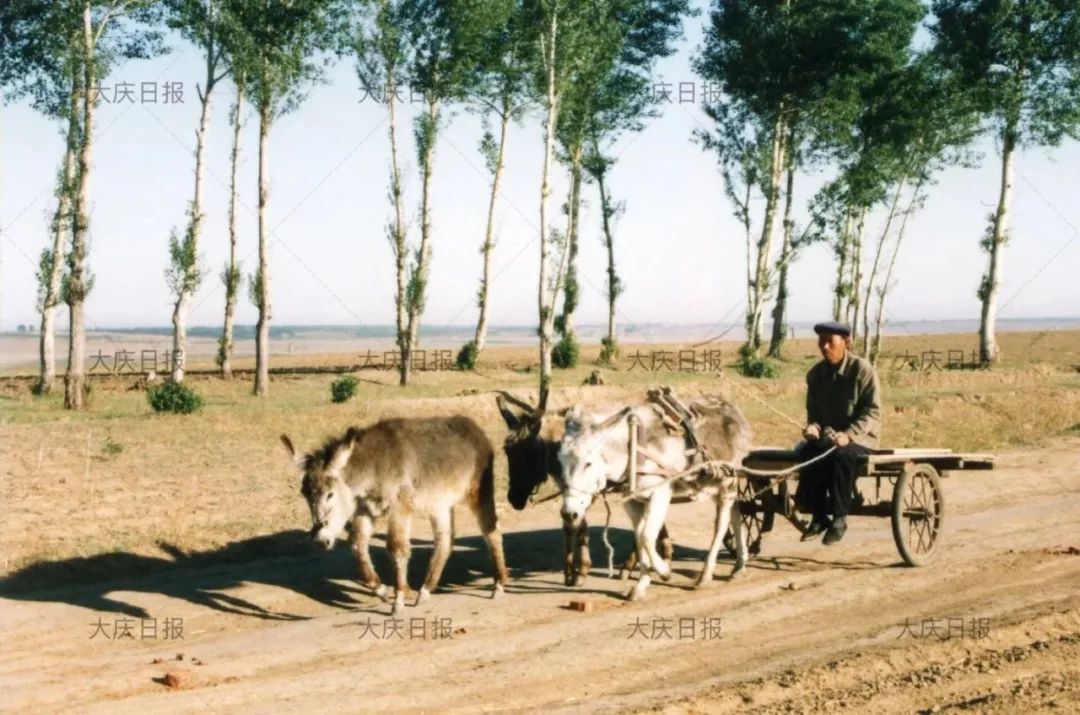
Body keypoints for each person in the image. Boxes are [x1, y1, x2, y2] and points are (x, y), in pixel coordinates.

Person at [795, 321, 881, 545]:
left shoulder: (862, 370)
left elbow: (871, 412)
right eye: (821, 342)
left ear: (846, 343)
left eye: (829, 342)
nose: (824, 347)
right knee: (806, 453)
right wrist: (813, 428)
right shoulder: (815, 375)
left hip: (861, 439)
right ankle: (819, 515)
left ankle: (840, 518)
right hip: (828, 439)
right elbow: (813, 414)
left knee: (842, 456)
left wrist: (849, 435)